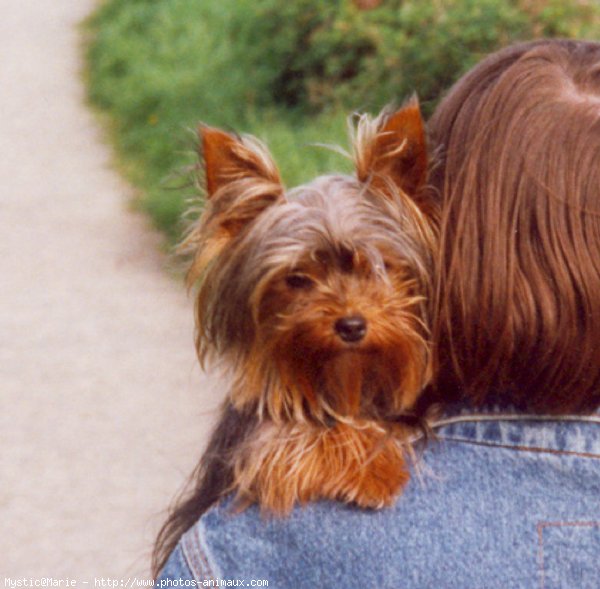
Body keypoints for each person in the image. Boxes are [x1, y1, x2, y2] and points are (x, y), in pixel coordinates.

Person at [155, 40, 600, 587]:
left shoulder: (244, 550)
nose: (348, 311)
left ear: (455, 235)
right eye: (299, 282)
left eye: (380, 273)